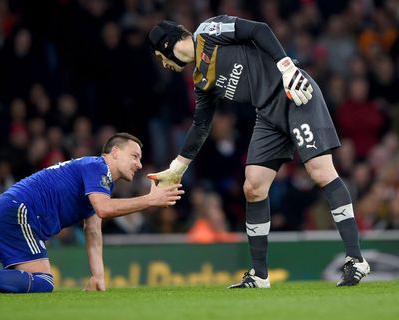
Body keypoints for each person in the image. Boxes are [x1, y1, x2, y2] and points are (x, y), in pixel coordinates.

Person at [148, 16, 370, 288]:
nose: (164, 63)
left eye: (161, 55)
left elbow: (258, 30)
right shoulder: (201, 79)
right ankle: (259, 275)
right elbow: (201, 126)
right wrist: (177, 168)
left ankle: (356, 259)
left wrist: (287, 67)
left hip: (293, 93)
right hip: (267, 114)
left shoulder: (208, 32)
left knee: (320, 171)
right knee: (253, 186)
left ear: (170, 44)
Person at [0, 133, 184, 295]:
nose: (139, 164)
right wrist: (150, 200)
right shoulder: (96, 166)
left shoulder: (100, 180)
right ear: (115, 153)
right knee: (43, 282)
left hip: (3, 213)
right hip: (16, 213)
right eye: (135, 156)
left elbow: (93, 229)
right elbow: (104, 209)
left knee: (37, 283)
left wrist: (98, 276)